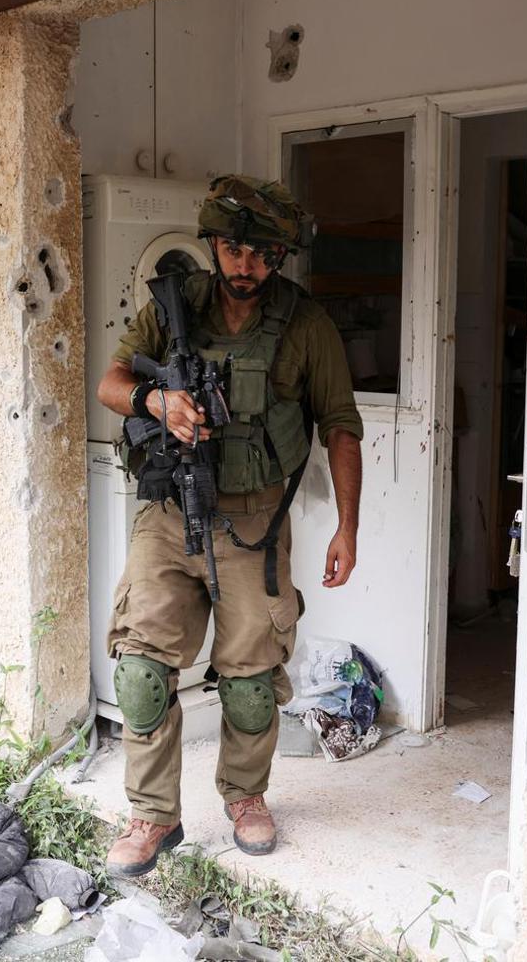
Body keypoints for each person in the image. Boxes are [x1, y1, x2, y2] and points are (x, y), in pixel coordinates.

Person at [95, 174, 363, 877]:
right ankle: (153, 815)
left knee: (249, 679)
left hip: (254, 520)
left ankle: (246, 798)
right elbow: (111, 382)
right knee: (142, 672)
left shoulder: (306, 325)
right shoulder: (172, 306)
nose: (244, 265)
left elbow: (340, 427)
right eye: (232, 248)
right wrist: (158, 401)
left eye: (261, 254)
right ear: (214, 244)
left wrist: (347, 528)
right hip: (169, 511)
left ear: (278, 257)